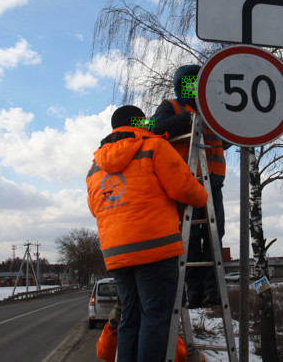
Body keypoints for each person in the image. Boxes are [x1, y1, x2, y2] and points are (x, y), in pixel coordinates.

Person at [87, 105, 208, 362]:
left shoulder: (95, 166)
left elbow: (95, 208)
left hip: (116, 253)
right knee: (156, 318)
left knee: (130, 317)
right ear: (139, 122)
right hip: (154, 247)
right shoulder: (153, 146)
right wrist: (203, 195)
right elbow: (184, 188)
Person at [153, 65, 229, 308]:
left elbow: (225, 140)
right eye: (191, 82)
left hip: (212, 182)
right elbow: (156, 128)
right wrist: (188, 120)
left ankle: (211, 290)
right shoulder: (172, 107)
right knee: (192, 236)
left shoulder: (214, 109)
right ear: (180, 85)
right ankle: (194, 290)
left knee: (214, 235)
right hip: (186, 184)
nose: (195, 86)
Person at [96, 300, 205, 362]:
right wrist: (112, 328)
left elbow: (181, 354)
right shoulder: (127, 333)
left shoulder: (165, 335)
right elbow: (105, 353)